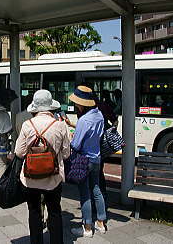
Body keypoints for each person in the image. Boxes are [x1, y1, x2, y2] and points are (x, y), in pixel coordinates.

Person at [15, 90, 70, 244]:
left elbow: (19, 152)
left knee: (34, 211)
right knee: (54, 212)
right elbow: (66, 154)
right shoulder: (60, 125)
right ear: (51, 107)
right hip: (53, 178)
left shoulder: (27, 125)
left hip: (31, 178)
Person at [68, 85, 107, 237]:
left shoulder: (84, 120)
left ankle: (87, 227)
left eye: (77, 102)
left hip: (84, 160)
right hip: (97, 158)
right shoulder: (99, 115)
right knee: (97, 190)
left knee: (85, 193)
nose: (75, 104)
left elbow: (76, 144)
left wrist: (72, 138)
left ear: (82, 103)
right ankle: (101, 223)